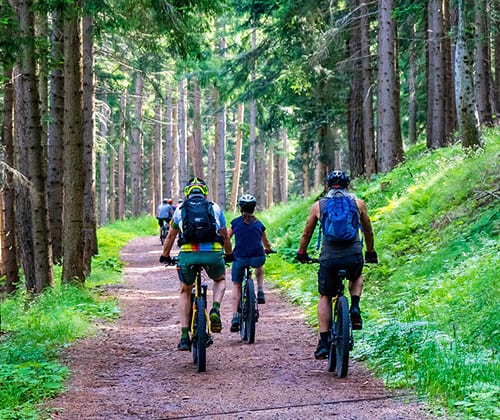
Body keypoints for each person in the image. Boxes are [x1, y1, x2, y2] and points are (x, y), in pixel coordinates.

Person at [296, 170, 378, 359]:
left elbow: (307, 233)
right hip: (353, 254)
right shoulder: (358, 203)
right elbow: (368, 230)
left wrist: (302, 252)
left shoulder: (319, 205)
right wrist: (370, 252)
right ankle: (355, 306)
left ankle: (324, 342)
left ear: (327, 186)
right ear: (347, 185)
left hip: (329, 257)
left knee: (325, 295)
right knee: (356, 275)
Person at [159, 177, 233, 351]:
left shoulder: (180, 210)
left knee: (185, 290)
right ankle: (215, 309)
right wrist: (229, 254)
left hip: (188, 255)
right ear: (204, 192)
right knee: (220, 279)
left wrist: (165, 255)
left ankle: (184, 336)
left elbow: (170, 236)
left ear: (187, 193)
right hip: (213, 254)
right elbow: (225, 235)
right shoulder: (214, 208)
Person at [228, 194, 273, 332]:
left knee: (236, 285)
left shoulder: (235, 223)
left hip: (239, 258)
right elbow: (265, 242)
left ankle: (235, 316)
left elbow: (227, 238)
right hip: (257, 257)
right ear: (254, 208)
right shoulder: (259, 224)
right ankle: (260, 290)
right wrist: (268, 249)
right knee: (259, 264)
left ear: (240, 208)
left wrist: (227, 253)